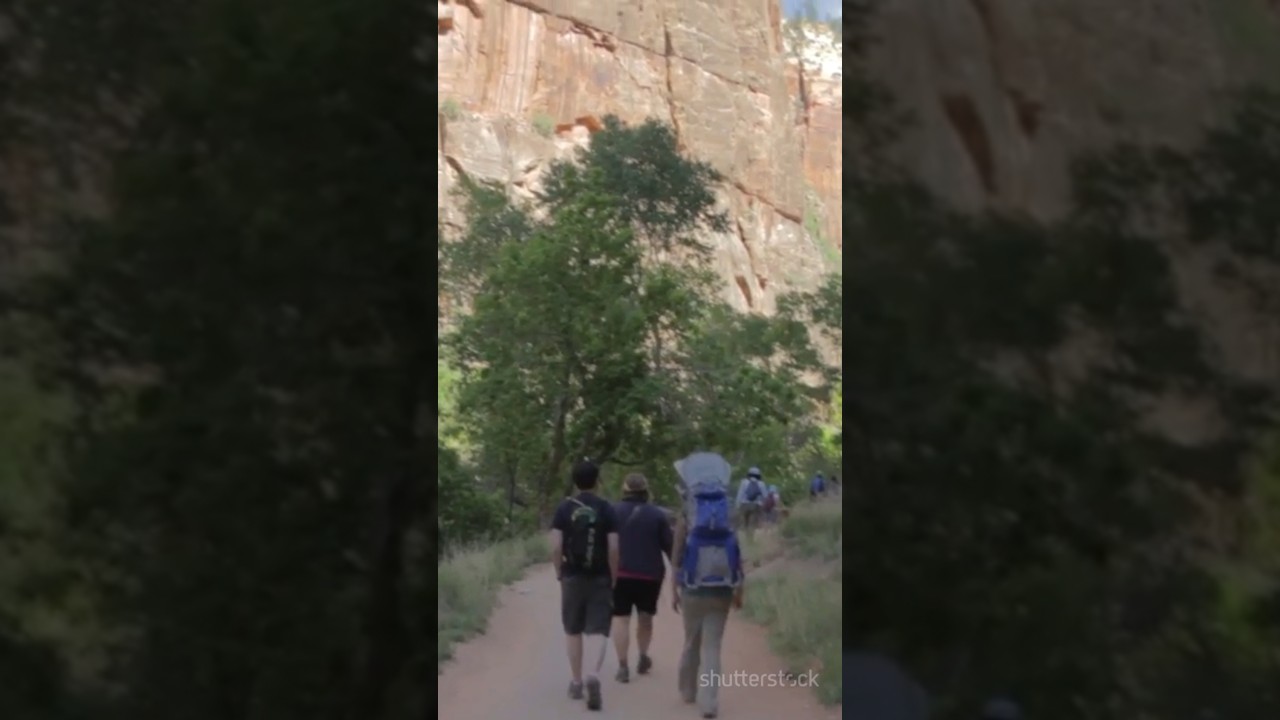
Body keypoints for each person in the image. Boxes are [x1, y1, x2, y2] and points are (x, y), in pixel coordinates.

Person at [672, 452, 746, 719]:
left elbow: (677, 554)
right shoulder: (728, 510)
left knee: (691, 641)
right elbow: (737, 552)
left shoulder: (688, 510)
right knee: (713, 645)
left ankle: (688, 691)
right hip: (723, 587)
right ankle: (710, 703)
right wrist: (739, 588)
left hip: (692, 587)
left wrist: (673, 588)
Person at [550, 460, 620, 711]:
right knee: (598, 630)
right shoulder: (607, 509)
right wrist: (614, 576)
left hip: (572, 576)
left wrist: (559, 572)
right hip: (600, 576)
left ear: (575, 481)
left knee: (573, 629)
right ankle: (593, 674)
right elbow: (613, 548)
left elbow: (557, 546)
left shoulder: (563, 509)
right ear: (597, 481)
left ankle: (577, 682)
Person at [610, 473, 673, 683]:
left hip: (620, 573)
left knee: (620, 618)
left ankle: (622, 666)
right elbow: (669, 547)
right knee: (645, 618)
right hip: (650, 575)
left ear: (625, 490)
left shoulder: (613, 512)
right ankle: (643, 656)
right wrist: (679, 573)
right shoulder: (657, 515)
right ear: (646, 491)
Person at [734, 467, 767, 532]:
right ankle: (750, 538)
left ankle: (743, 537)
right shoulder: (761, 484)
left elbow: (740, 494)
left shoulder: (744, 482)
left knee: (743, 523)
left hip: (744, 505)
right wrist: (763, 505)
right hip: (755, 505)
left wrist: (737, 505)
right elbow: (765, 496)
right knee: (753, 524)